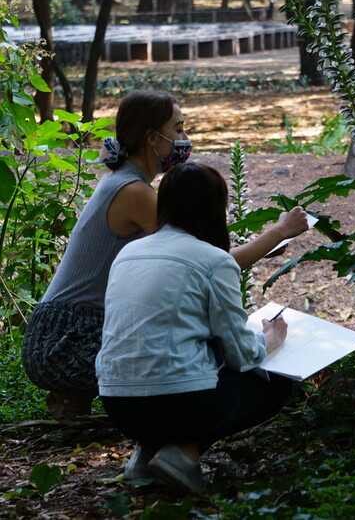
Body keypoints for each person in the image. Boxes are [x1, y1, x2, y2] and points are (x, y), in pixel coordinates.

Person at [21, 90, 308, 421]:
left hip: (55, 332)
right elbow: (209, 263)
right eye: (179, 129)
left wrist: (266, 243)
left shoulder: (120, 180)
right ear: (152, 139)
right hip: (65, 343)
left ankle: (75, 402)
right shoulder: (135, 192)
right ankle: (99, 400)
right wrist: (277, 233)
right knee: (198, 341)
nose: (185, 139)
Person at [96, 162, 292, 491]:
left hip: (117, 404)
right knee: (276, 381)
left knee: (188, 357)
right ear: (216, 207)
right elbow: (241, 353)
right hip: (176, 405)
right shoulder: (214, 259)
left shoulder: (129, 253)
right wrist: (271, 339)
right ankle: (183, 454)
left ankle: (146, 455)